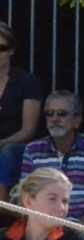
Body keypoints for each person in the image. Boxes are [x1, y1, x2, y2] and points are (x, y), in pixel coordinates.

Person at [18, 91, 84, 224]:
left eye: (62, 114)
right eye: (49, 113)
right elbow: (26, 198)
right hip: (44, 225)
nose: (54, 119)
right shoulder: (32, 150)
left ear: (77, 120)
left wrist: (72, 231)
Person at [0, 21, 44, 195]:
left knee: (7, 152)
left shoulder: (26, 81)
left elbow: (28, 130)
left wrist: (2, 142)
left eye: (1, 48)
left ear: (11, 51)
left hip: (18, 147)